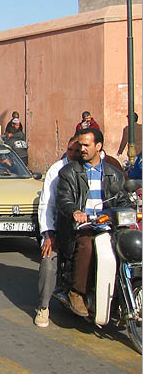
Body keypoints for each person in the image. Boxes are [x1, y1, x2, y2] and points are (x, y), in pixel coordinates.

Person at [55, 128, 127, 317]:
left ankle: (122, 292)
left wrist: (128, 210)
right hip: (81, 227)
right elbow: (64, 199)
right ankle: (77, 291)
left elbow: (122, 199)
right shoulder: (69, 172)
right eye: (80, 145)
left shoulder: (114, 173)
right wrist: (75, 212)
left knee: (127, 246)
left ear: (99, 146)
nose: (82, 149)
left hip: (108, 225)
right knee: (87, 245)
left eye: (87, 145)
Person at [34, 136, 81, 328]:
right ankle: (43, 307)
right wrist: (49, 233)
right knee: (49, 261)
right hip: (61, 228)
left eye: (79, 150)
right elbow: (47, 204)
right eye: (72, 150)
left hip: (89, 228)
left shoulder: (98, 169)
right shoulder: (57, 170)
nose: (76, 153)